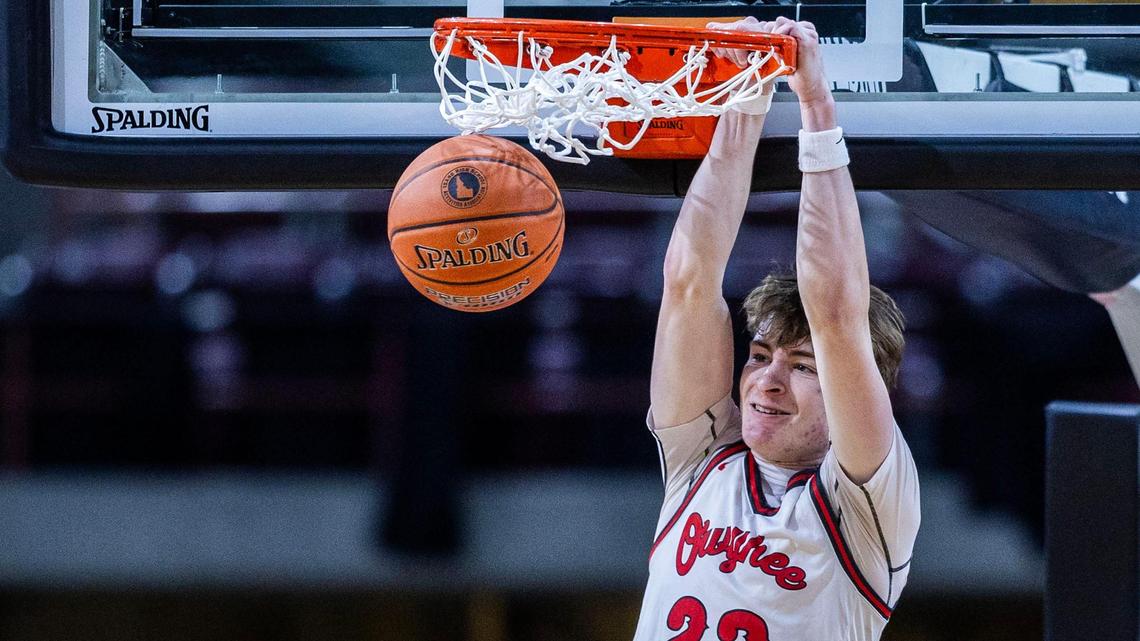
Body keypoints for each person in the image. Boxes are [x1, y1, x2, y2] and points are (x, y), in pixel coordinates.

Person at [632, 17, 920, 641]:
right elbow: (688, 280)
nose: (768, 380)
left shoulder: (869, 505)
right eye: (759, 355)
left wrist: (816, 104)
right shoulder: (701, 461)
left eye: (803, 365)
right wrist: (743, 94)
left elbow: (838, 318)